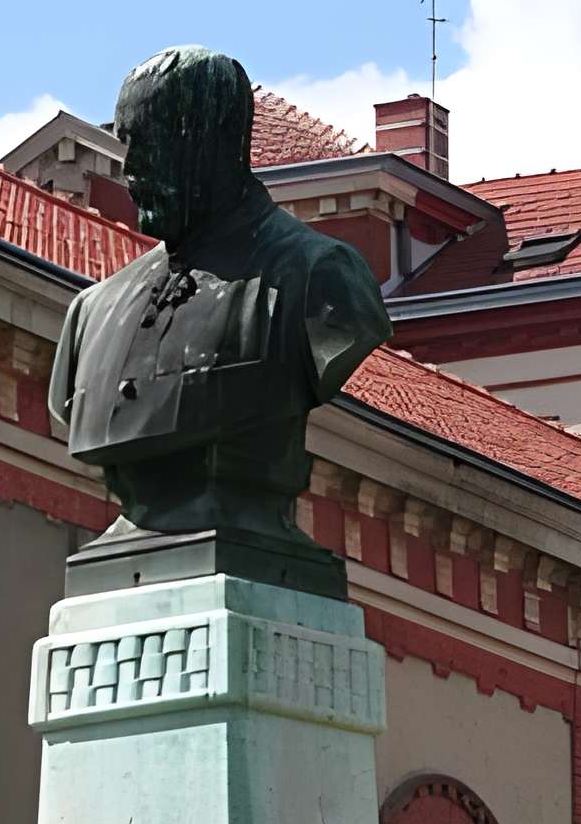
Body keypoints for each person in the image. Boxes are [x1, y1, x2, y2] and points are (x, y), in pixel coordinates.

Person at [50, 45, 392, 553]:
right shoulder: (91, 313)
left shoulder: (319, 279)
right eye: (127, 144)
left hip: (252, 543)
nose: (132, 167)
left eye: (151, 142)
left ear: (214, 141)